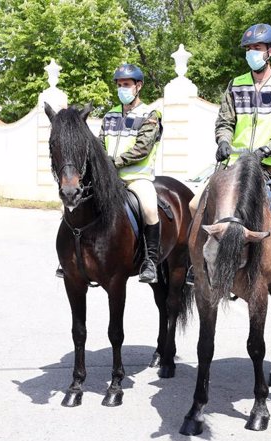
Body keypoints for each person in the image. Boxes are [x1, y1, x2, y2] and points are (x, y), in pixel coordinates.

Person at [189, 23, 271, 241]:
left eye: (257, 47)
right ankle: (199, 261)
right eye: (248, 49)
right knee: (194, 204)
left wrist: (267, 150)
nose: (251, 53)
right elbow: (225, 121)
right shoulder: (236, 84)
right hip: (238, 162)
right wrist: (224, 142)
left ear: (270, 51)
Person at [101, 63, 163, 283]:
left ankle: (150, 262)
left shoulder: (150, 114)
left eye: (126, 84)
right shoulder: (109, 115)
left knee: (148, 209)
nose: (122, 89)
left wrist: (114, 163)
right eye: (119, 85)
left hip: (137, 178)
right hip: (109, 179)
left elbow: (143, 148)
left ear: (138, 86)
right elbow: (100, 145)